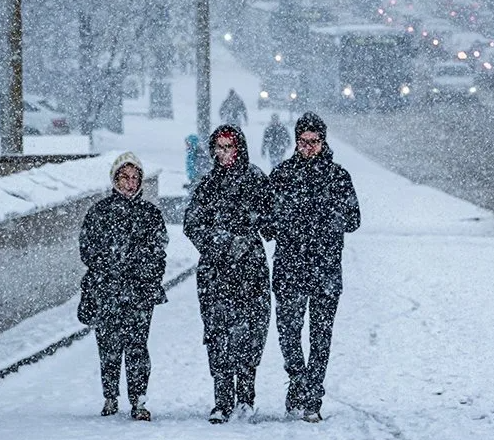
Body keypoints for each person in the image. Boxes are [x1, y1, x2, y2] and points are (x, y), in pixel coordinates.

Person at [263, 111, 361, 423]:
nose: (308, 147)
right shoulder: (281, 175)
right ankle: (298, 381)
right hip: (290, 268)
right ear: (296, 142)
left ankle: (312, 393)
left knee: (321, 337)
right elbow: (266, 224)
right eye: (303, 141)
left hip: (325, 270)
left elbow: (354, 219)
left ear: (323, 141)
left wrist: (325, 222)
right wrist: (285, 222)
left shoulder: (338, 177)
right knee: (288, 334)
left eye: (314, 141)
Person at [183, 124, 273, 424]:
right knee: (218, 334)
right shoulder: (207, 186)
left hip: (251, 270)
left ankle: (246, 396)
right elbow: (192, 224)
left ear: (239, 148)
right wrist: (218, 242)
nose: (223, 154)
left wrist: (248, 235)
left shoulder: (256, 180)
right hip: (216, 273)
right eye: (218, 148)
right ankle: (221, 398)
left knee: (251, 332)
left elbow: (271, 219)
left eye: (228, 147)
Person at [78, 151, 168, 421]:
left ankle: (139, 399)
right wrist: (110, 267)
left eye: (134, 177)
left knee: (138, 346)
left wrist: (144, 273)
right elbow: (87, 251)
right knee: (108, 344)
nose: (130, 183)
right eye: (124, 177)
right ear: (114, 179)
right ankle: (110, 395)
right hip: (107, 290)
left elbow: (159, 252)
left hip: (139, 292)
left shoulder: (150, 214)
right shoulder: (99, 212)